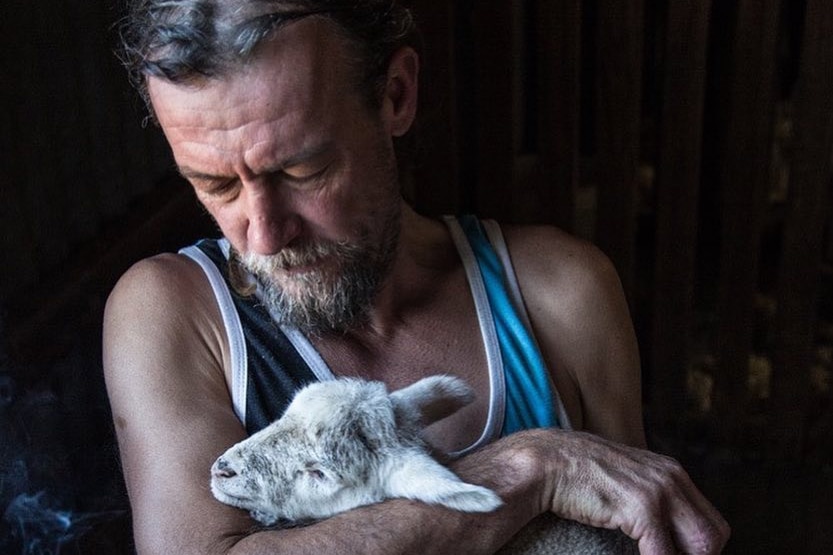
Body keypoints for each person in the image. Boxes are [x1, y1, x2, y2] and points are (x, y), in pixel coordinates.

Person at [103, 1, 730, 554]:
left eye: (303, 171)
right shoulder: (172, 314)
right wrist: (531, 470)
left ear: (396, 95)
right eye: (214, 185)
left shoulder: (562, 293)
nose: (263, 236)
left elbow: (637, 534)